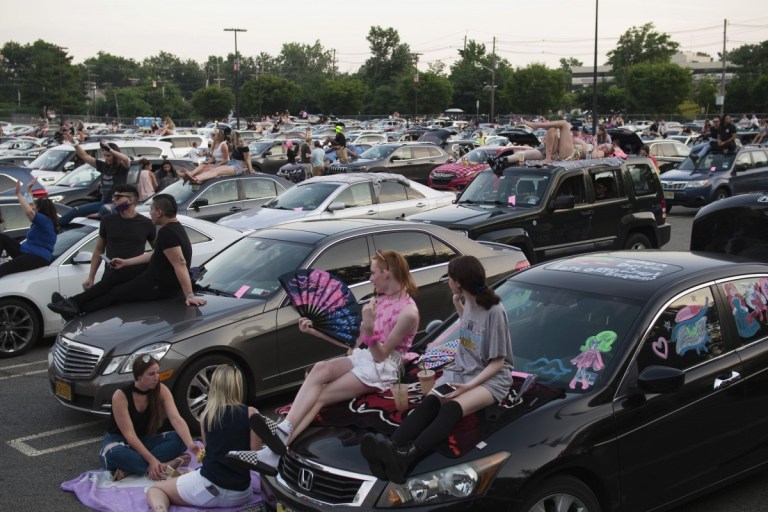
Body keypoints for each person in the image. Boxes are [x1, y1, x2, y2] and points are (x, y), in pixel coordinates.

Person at [242, 250, 420, 472]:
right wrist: (316, 332)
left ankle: (277, 443)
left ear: (387, 273)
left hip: (384, 368)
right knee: (320, 368)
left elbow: (381, 355)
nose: (370, 278)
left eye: (373, 272)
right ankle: (282, 432)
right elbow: (356, 345)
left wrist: (369, 327)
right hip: (364, 357)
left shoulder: (408, 312)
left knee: (322, 395)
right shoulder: (379, 300)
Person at [360, 255, 513, 484]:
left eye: (450, 278)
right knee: (430, 402)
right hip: (463, 370)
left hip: (491, 379)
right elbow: (471, 331)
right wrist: (458, 307)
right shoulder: (468, 301)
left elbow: (498, 362)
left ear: (459, 282)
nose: (448, 281)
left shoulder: (494, 311)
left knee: (451, 408)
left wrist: (468, 387)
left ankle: (407, 457)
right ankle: (391, 449)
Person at [47, 194, 206, 318]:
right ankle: (72, 302)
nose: (149, 213)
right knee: (116, 277)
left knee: (116, 293)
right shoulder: (173, 228)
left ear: (159, 212)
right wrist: (126, 262)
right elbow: (155, 255)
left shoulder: (167, 233)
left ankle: (77, 311)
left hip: (158, 285)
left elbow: (180, 263)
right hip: (151, 276)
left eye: (151, 209)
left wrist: (189, 295)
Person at [146, 366, 261, 510]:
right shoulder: (252, 413)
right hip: (241, 494)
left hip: (207, 490)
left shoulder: (207, 415)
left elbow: (210, 451)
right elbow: (255, 455)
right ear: (237, 386)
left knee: (156, 489)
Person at [48, 184, 156, 318]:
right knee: (101, 304)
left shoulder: (147, 223)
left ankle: (71, 303)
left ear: (131, 200)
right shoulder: (108, 220)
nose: (114, 200)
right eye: (113, 197)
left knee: (106, 304)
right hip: (110, 275)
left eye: (118, 197)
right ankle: (72, 308)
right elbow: (99, 249)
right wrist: (91, 277)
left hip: (131, 276)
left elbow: (157, 251)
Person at [99, 355, 200, 481]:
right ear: (139, 375)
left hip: (145, 440)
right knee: (115, 455)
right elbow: (129, 435)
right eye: (151, 374)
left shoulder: (161, 389)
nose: (156, 377)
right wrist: (152, 460)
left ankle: (132, 470)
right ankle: (166, 467)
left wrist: (190, 443)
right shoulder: (121, 395)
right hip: (120, 442)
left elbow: (176, 419)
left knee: (179, 439)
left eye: (157, 372)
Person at [59, 141, 130, 226]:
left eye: (109, 156)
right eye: (104, 155)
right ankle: (54, 226)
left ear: (114, 155)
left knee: (105, 209)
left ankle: (99, 215)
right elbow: (85, 156)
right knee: (75, 211)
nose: (106, 158)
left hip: (116, 204)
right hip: (103, 202)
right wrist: (75, 144)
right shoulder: (103, 166)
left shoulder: (122, 168)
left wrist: (111, 150)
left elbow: (126, 159)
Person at [0, 179, 58, 279]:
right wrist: (28, 189)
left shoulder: (45, 221)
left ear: (41, 209)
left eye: (36, 206)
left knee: (3, 269)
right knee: (2, 237)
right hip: (25, 251)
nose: (34, 207)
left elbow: (29, 212)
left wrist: (18, 194)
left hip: (37, 257)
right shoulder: (43, 221)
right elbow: (30, 206)